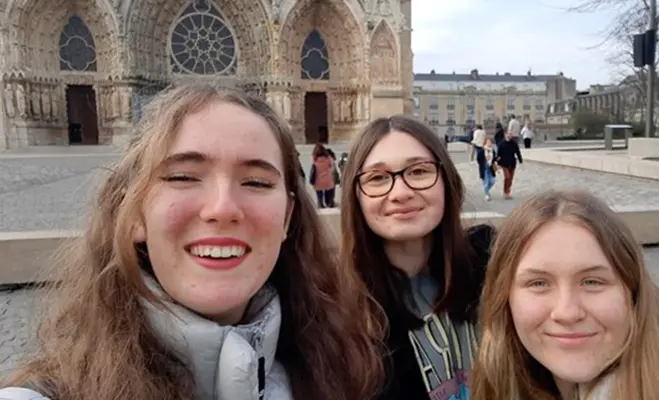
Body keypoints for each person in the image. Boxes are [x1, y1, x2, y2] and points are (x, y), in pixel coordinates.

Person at [0, 84, 383, 400]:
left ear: (287, 217)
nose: (222, 208)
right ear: (132, 212)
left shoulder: (337, 374)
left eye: (256, 182)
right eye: (182, 176)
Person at [471, 189, 659, 400]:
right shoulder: (509, 381)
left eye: (592, 282)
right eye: (539, 284)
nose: (567, 312)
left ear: (633, 292)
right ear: (504, 297)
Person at [339, 115, 495, 400]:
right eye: (377, 178)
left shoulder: (497, 269)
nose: (401, 192)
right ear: (355, 196)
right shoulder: (333, 312)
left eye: (419, 172)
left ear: (446, 180)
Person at [494, 130, 523, 199]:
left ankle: (508, 191)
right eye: (508, 134)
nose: (509, 135)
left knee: (510, 179)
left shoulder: (514, 143)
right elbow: (498, 154)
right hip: (504, 163)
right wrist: (498, 163)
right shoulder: (501, 144)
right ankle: (506, 192)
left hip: (512, 163)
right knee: (507, 177)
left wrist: (520, 160)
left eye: (510, 134)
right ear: (505, 135)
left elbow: (518, 152)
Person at [310, 143, 335, 208]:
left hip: (318, 180)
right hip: (327, 179)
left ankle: (320, 204)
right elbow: (332, 166)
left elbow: (313, 168)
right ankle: (329, 203)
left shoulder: (314, 159)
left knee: (319, 193)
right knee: (329, 192)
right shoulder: (328, 158)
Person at [481, 137, 497, 201]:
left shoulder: (492, 150)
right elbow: (478, 159)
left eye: (490, 142)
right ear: (485, 143)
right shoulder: (482, 150)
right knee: (486, 182)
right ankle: (486, 195)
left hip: (490, 167)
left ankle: (486, 191)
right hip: (484, 167)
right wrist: (484, 159)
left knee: (492, 181)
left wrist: (497, 160)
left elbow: (494, 158)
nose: (489, 143)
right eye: (488, 142)